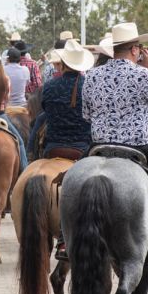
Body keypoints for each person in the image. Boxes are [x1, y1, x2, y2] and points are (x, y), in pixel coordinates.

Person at [82, 22, 148, 269]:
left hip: (98, 146)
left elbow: (87, 114)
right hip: (137, 147)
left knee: (69, 183)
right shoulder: (143, 75)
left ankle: (65, 241)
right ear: (135, 50)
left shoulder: (92, 76)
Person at [35, 40, 94, 260]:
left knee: (33, 135)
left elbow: (44, 111)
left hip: (52, 148)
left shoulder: (49, 86)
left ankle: (28, 159)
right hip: (82, 151)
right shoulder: (89, 85)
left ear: (64, 63)